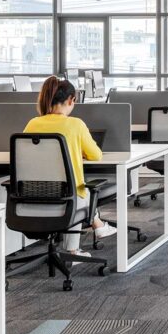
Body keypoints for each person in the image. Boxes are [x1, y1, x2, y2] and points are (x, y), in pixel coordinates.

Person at [23, 76, 118, 254]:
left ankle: (95, 228)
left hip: (33, 195)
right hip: (67, 197)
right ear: (71, 100)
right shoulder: (76, 124)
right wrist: (76, 150)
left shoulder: (32, 123)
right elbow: (96, 155)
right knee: (80, 190)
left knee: (75, 191)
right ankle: (83, 240)